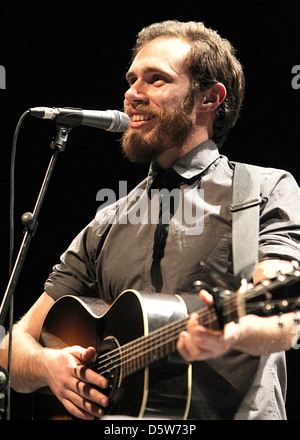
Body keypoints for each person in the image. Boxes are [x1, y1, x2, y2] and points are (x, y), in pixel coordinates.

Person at [1, 20, 300, 420]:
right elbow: (12, 345)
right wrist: (51, 369)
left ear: (209, 98)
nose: (131, 93)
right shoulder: (106, 222)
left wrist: (233, 332)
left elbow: (282, 321)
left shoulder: (261, 190)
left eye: (156, 80)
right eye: (131, 79)